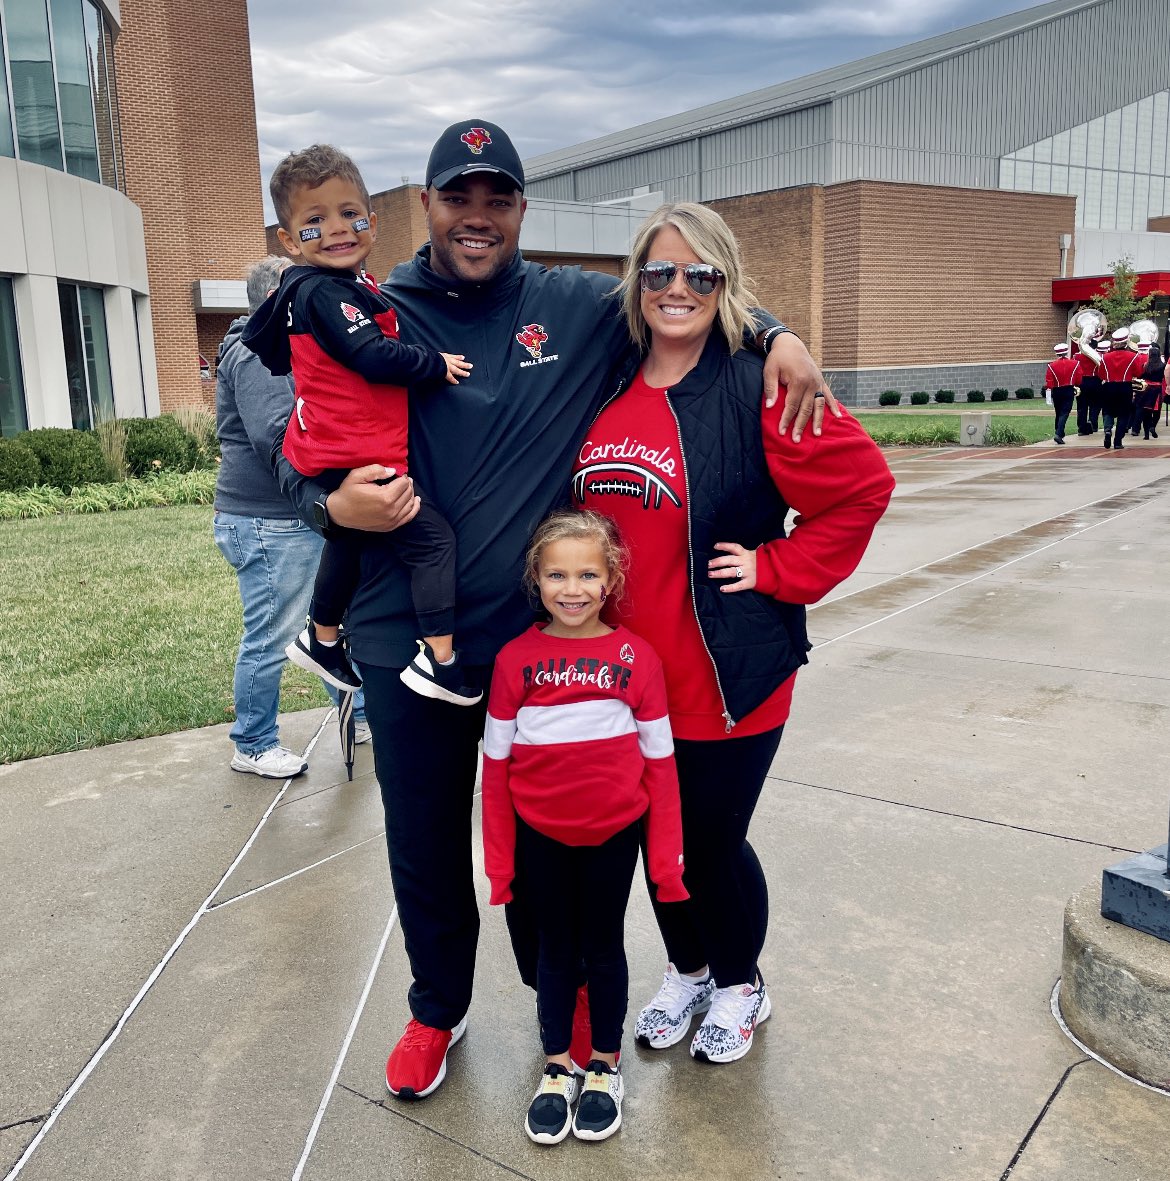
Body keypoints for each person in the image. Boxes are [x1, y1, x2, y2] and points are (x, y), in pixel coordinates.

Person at [273, 119, 837, 1102]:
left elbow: (685, 287)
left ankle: (565, 1008)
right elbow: (288, 451)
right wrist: (329, 505)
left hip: (539, 647)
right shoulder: (367, 306)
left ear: (521, 209)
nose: (478, 215)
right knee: (427, 842)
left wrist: (778, 332)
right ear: (429, 204)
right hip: (401, 630)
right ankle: (434, 1009)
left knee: (548, 844)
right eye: (459, 196)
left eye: (498, 197)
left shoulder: (575, 306)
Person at [572, 201, 894, 1063]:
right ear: (636, 282)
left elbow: (863, 488)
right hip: (621, 681)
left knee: (709, 844)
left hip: (725, 674)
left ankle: (743, 983)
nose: (678, 289)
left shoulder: (760, 383)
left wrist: (776, 569)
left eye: (700, 275)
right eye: (660, 273)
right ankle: (688, 969)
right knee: (653, 843)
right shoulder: (603, 381)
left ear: (725, 284)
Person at [245, 145, 481, 707]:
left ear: (372, 221)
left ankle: (323, 637)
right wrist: (434, 363)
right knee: (431, 540)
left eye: (349, 214)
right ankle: (439, 659)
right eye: (313, 222)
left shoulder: (350, 285)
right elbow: (372, 354)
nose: (336, 230)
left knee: (350, 540)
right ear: (287, 240)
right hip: (355, 452)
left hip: (336, 450)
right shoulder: (324, 292)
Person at [482, 509, 685, 1144]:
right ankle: (555, 1066)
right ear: (536, 580)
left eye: (588, 574)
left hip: (613, 835)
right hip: (540, 833)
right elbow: (495, 767)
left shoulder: (638, 658)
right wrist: (499, 864)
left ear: (611, 578)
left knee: (602, 947)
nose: (573, 589)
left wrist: (667, 863)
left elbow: (661, 767)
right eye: (557, 575)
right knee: (553, 952)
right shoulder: (515, 661)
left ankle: (602, 1066)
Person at [213, 255, 369, 778]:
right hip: (267, 520)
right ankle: (253, 743)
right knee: (272, 632)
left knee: (321, 622)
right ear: (275, 300)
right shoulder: (256, 353)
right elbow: (276, 435)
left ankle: (361, 711)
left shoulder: (291, 347)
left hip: (291, 516)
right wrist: (329, 492)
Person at [1100, 327, 1143, 450]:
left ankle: (1108, 430)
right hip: (1125, 387)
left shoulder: (1105, 357)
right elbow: (1138, 372)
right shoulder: (1133, 356)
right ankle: (1118, 441)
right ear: (1126, 342)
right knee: (1123, 414)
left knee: (1108, 411)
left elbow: (1101, 374)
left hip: (1109, 386)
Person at [1044, 343, 1080, 445]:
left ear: (1057, 353)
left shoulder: (1051, 365)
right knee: (1065, 412)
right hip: (1068, 389)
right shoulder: (1075, 363)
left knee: (1058, 412)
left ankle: (1058, 431)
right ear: (1067, 351)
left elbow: (1049, 381)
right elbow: (1078, 379)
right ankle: (1059, 433)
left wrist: (1049, 391)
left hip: (1057, 390)